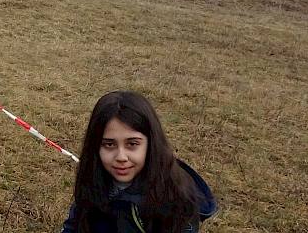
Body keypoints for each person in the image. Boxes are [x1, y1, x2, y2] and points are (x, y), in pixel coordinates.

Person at [61, 91, 217, 233]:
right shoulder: (94, 180)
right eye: (109, 144)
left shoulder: (177, 198)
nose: (121, 157)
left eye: (132, 144)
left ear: (151, 144)